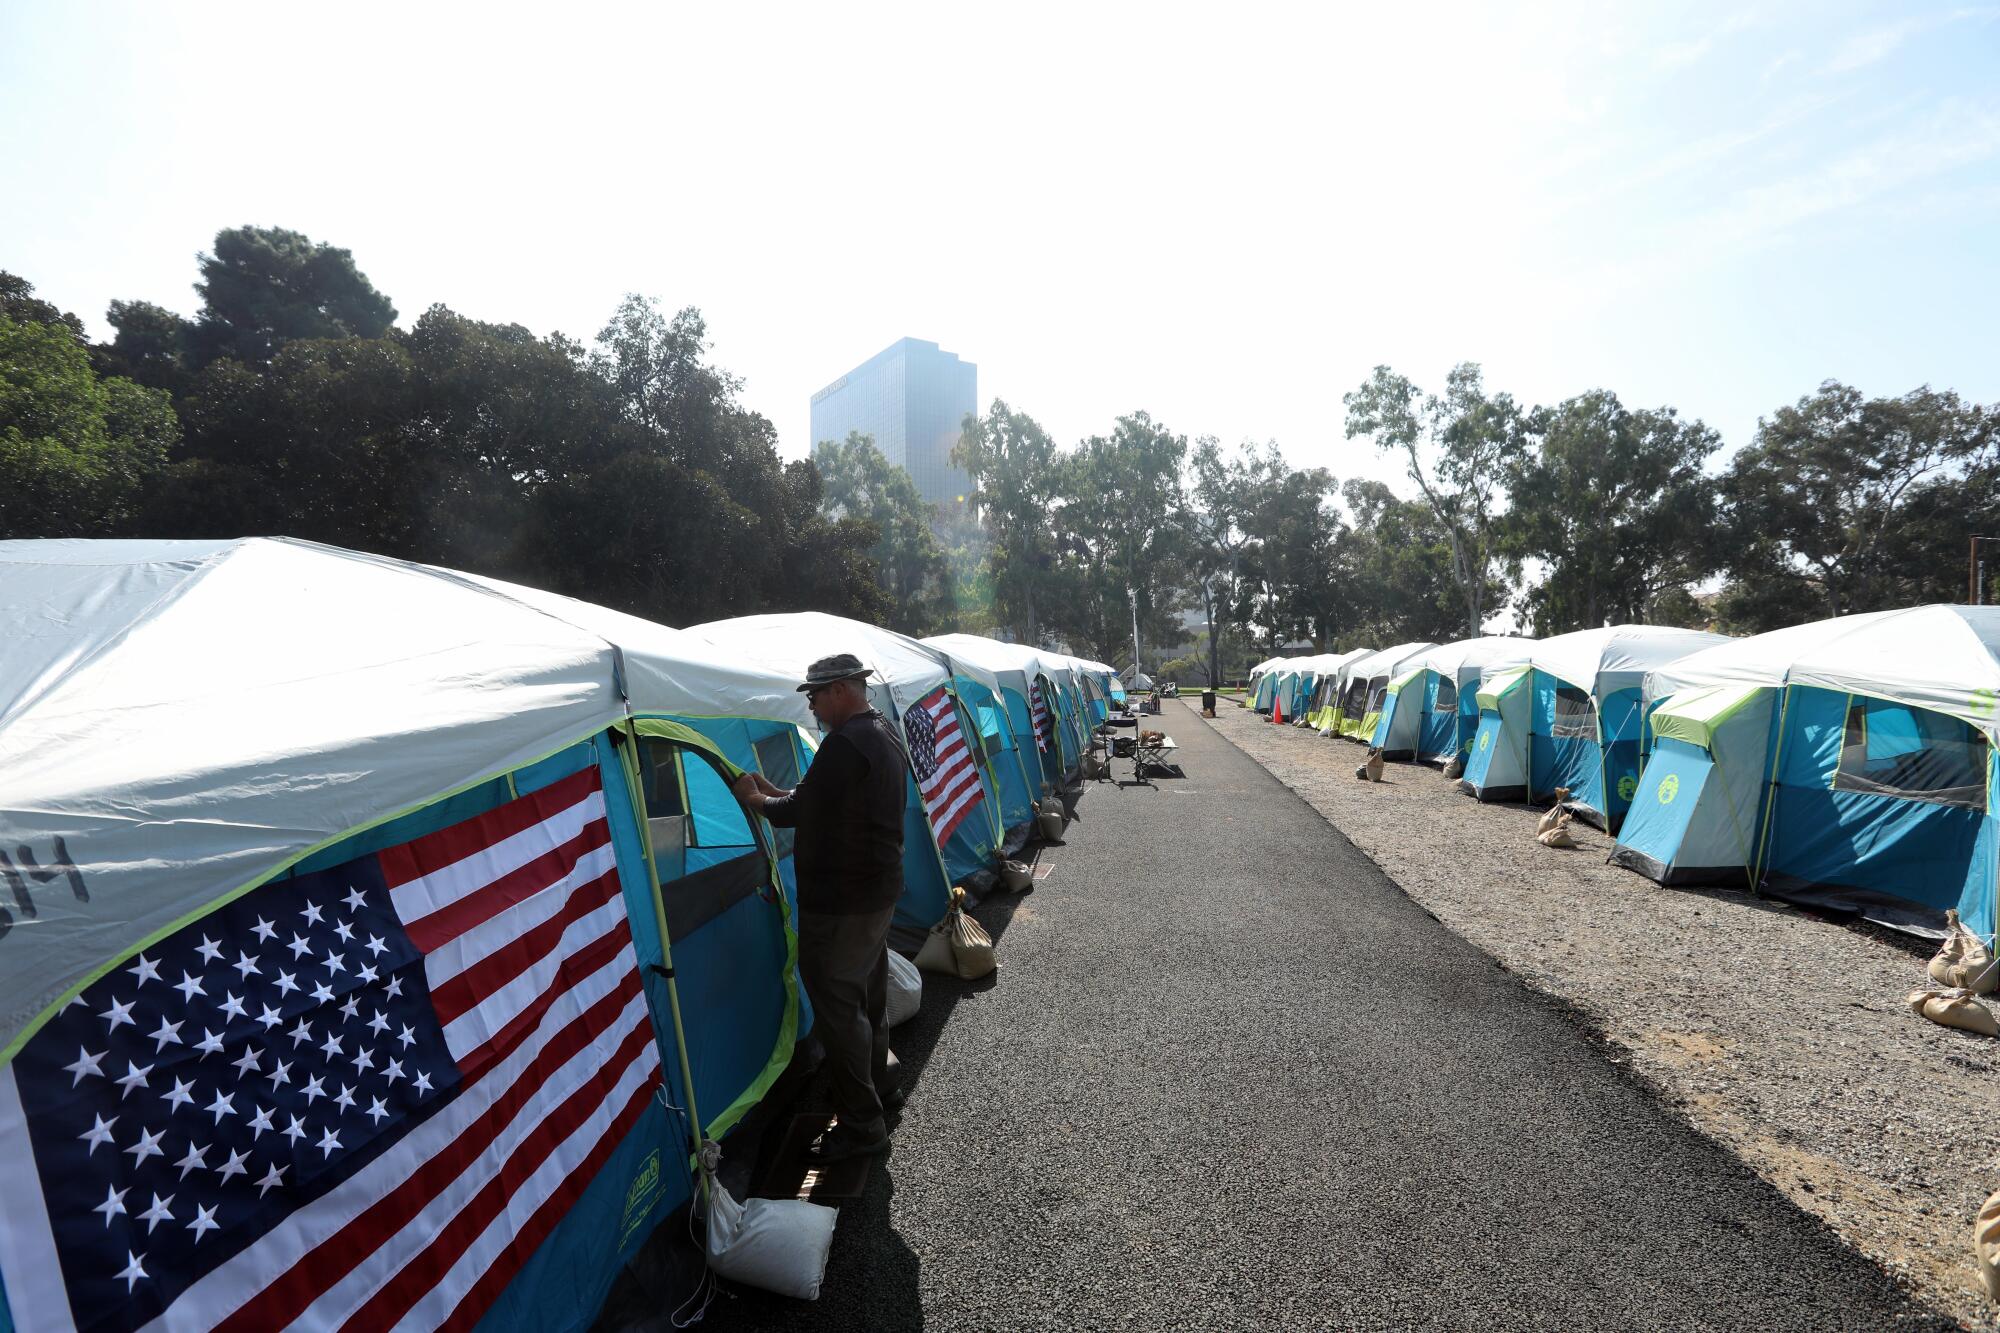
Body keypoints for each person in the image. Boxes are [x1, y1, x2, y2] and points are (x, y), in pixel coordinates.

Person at [732, 652, 908, 1162]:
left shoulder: (845, 743)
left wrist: (754, 800)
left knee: (838, 1008)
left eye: (814, 696)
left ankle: (861, 1125)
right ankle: (879, 1083)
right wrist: (775, 790)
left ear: (839, 691)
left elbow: (796, 813)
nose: (811, 706)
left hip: (842, 903)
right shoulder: (879, 733)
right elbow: (824, 800)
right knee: (867, 997)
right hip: (874, 894)